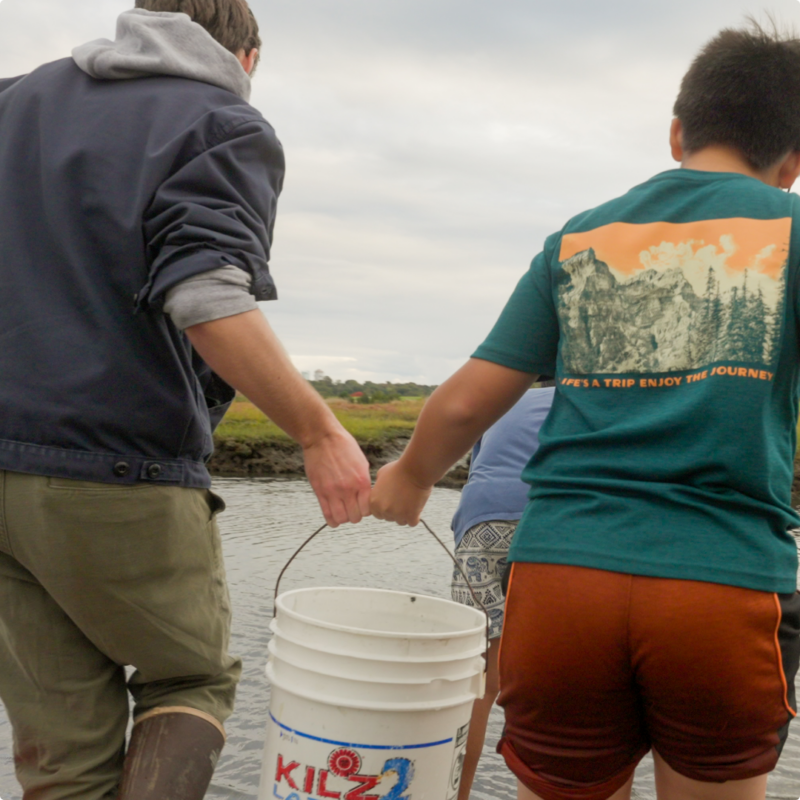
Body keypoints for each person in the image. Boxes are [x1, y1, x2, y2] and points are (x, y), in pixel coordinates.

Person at [372, 21, 800, 800]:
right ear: (793, 163)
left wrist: (407, 477)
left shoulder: (579, 236)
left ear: (677, 132)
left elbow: (469, 400)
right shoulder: (791, 229)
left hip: (561, 580)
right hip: (721, 583)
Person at [0, 2, 371, 799]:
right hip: (121, 465)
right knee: (189, 678)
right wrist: (317, 428)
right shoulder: (219, 121)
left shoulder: (13, 101)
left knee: (65, 751)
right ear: (251, 54)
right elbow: (204, 292)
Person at [450, 384, 555, 800]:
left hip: (479, 524)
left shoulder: (506, 398)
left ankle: (456, 793)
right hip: (547, 521)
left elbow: (478, 469)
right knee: (551, 676)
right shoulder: (591, 397)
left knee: (477, 681)